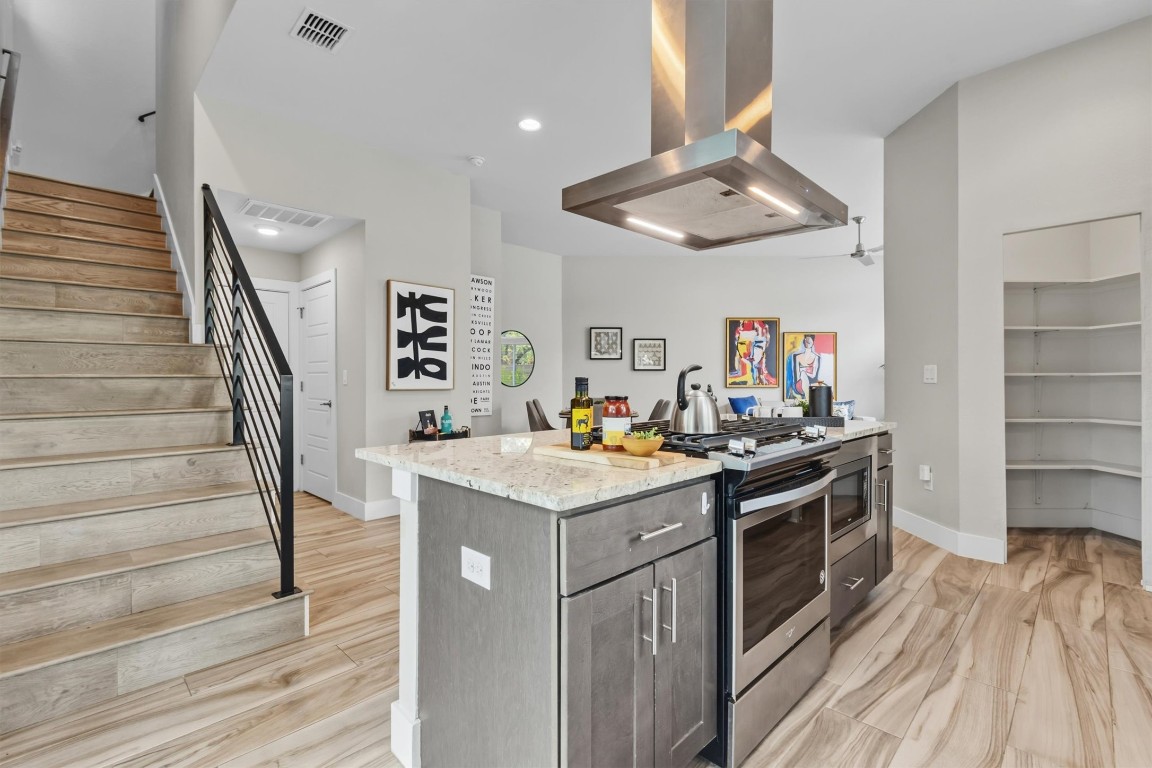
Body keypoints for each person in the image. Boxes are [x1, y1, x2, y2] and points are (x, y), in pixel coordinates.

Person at [785, 334, 822, 398]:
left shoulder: (817, 358)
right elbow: (796, 375)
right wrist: (804, 372)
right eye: (806, 341)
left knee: (804, 374)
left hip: (811, 383)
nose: (807, 343)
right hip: (799, 384)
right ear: (804, 341)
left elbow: (814, 375)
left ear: (813, 342)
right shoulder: (796, 357)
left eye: (809, 341)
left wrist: (803, 370)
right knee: (802, 374)